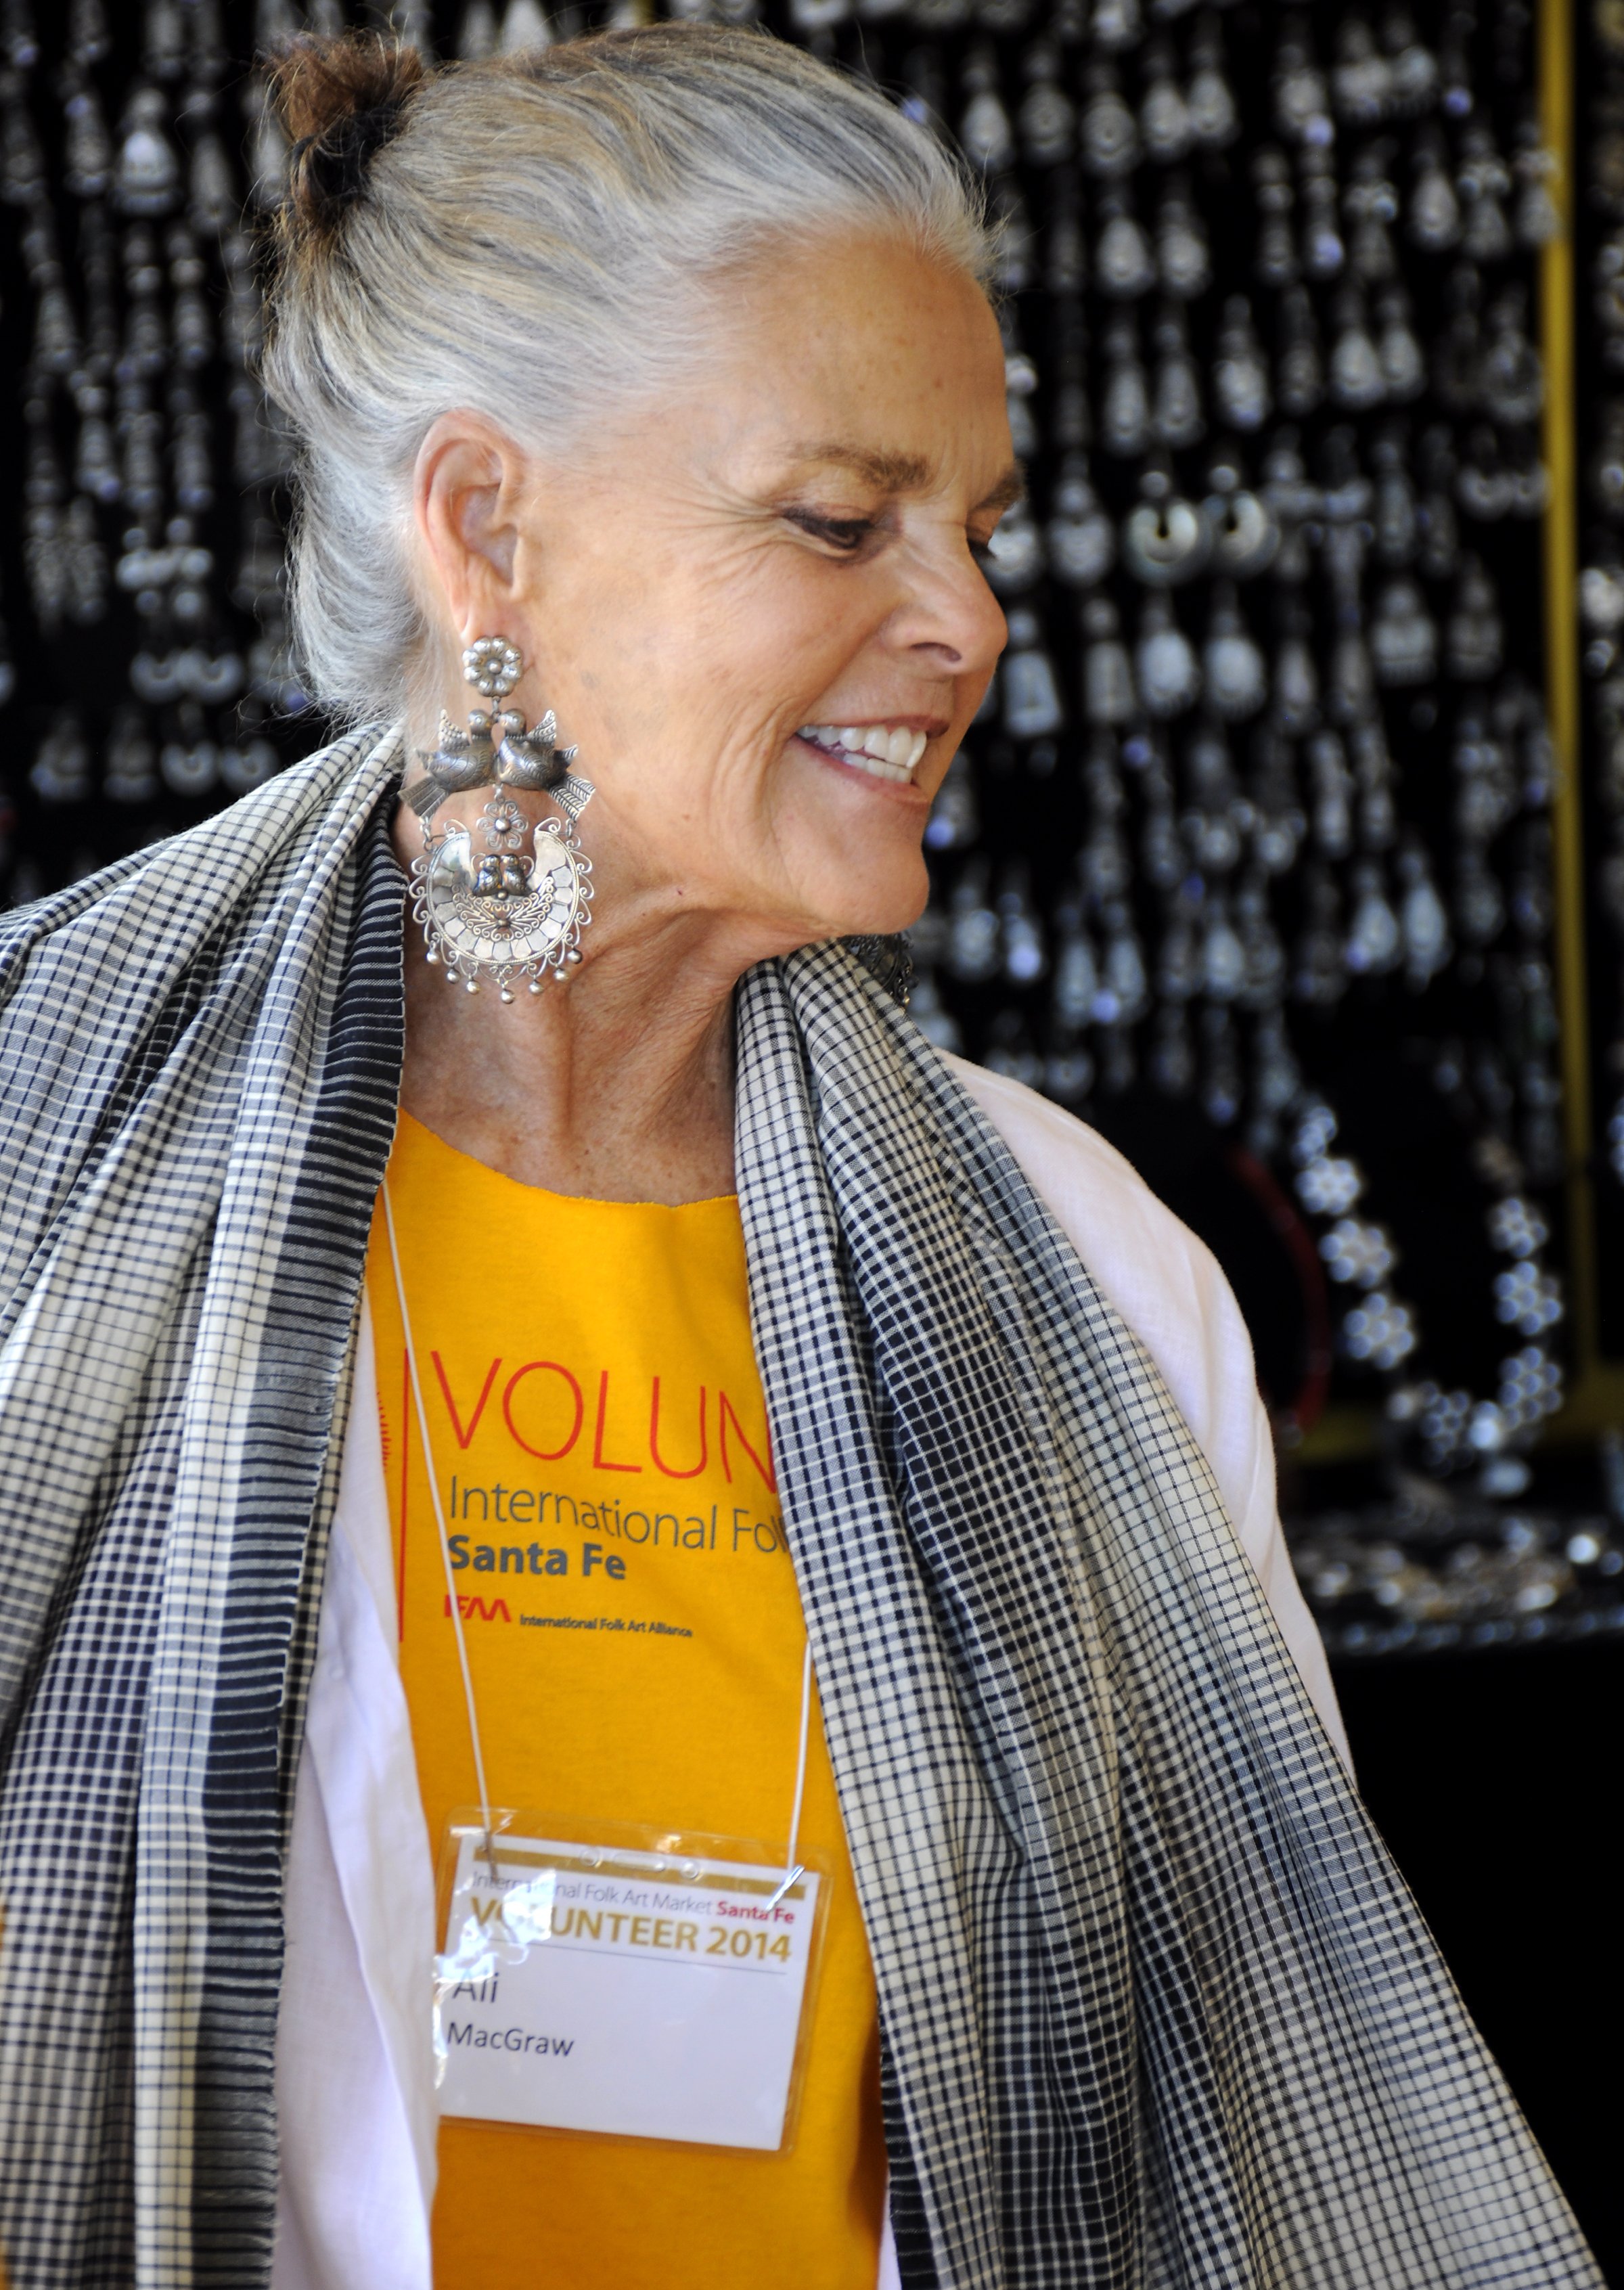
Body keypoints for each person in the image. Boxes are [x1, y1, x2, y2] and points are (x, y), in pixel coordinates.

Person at [0, 24, 1600, 2290]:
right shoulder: (41, 1185)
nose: (970, 619)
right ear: (487, 530)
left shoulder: (1087, 1276)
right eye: (840, 518)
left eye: (980, 522)